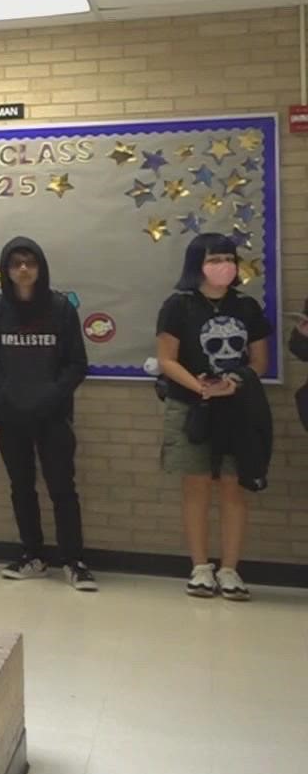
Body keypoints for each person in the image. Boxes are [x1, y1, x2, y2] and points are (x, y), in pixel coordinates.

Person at [155, 233, 271, 602]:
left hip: (238, 408)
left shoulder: (247, 307)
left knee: (234, 487)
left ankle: (230, 569)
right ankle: (201, 567)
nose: (224, 265)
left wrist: (233, 383)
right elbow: (167, 360)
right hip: (191, 407)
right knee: (197, 485)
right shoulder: (178, 305)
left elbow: (259, 361)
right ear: (196, 264)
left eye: (229, 258)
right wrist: (201, 387)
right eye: (215, 258)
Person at [0, 237, 94, 591]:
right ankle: (33, 555)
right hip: (10, 418)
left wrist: (50, 396)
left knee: (62, 488)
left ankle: (74, 560)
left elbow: (78, 365)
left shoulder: (61, 309)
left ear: (40, 268)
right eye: (15, 264)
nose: (23, 269)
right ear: (6, 270)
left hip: (53, 417)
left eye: (30, 262)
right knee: (21, 488)